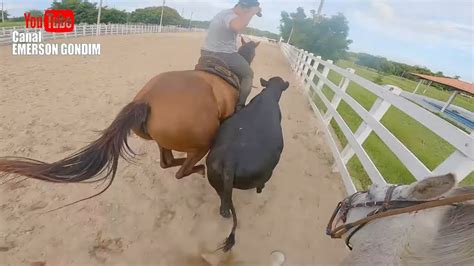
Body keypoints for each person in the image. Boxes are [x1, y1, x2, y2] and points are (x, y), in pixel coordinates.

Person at [201, 0, 262, 111]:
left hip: (205, 52)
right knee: (248, 74)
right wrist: (252, 12)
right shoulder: (230, 15)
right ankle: (239, 107)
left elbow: (242, 22)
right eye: (248, 11)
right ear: (245, 8)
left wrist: (250, 14)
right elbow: (236, 26)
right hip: (224, 54)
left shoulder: (224, 13)